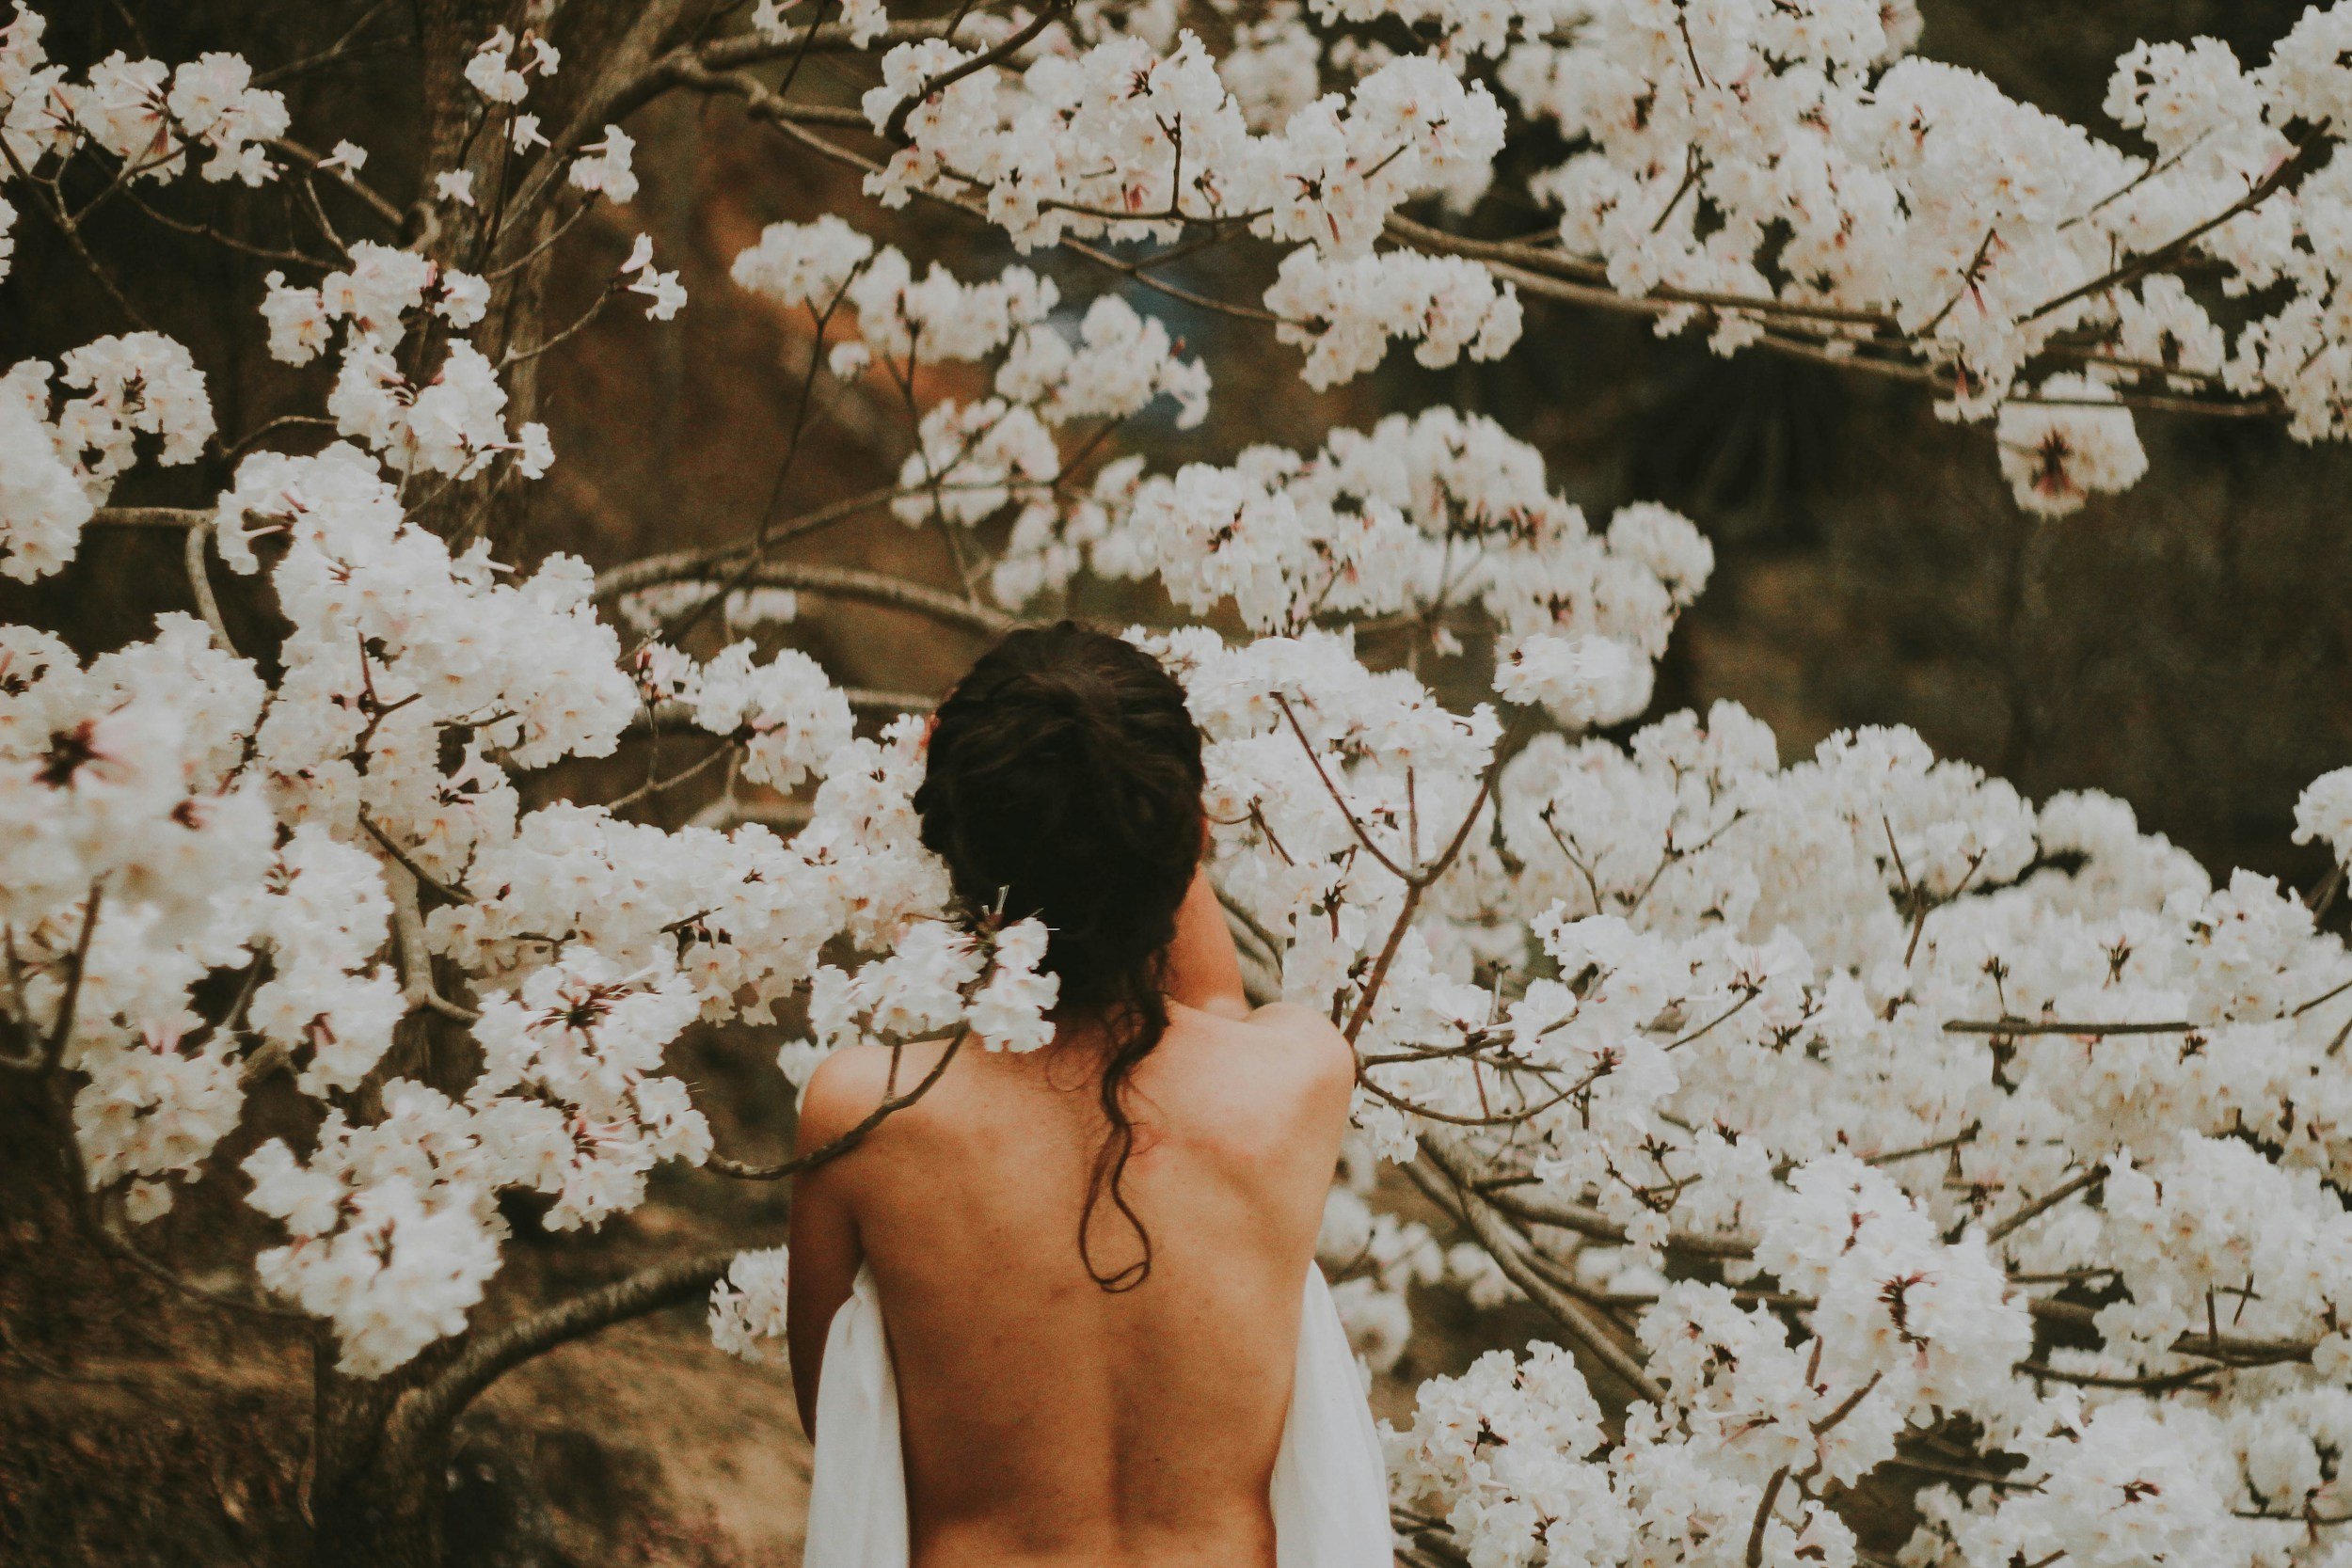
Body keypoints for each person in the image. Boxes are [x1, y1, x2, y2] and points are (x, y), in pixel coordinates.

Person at [785, 622, 1392, 1568]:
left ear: (949, 840)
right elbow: (1214, 1004)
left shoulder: (864, 1115)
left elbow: (839, 1412)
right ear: (1193, 834)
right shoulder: (1298, 1077)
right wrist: (1141, 802)